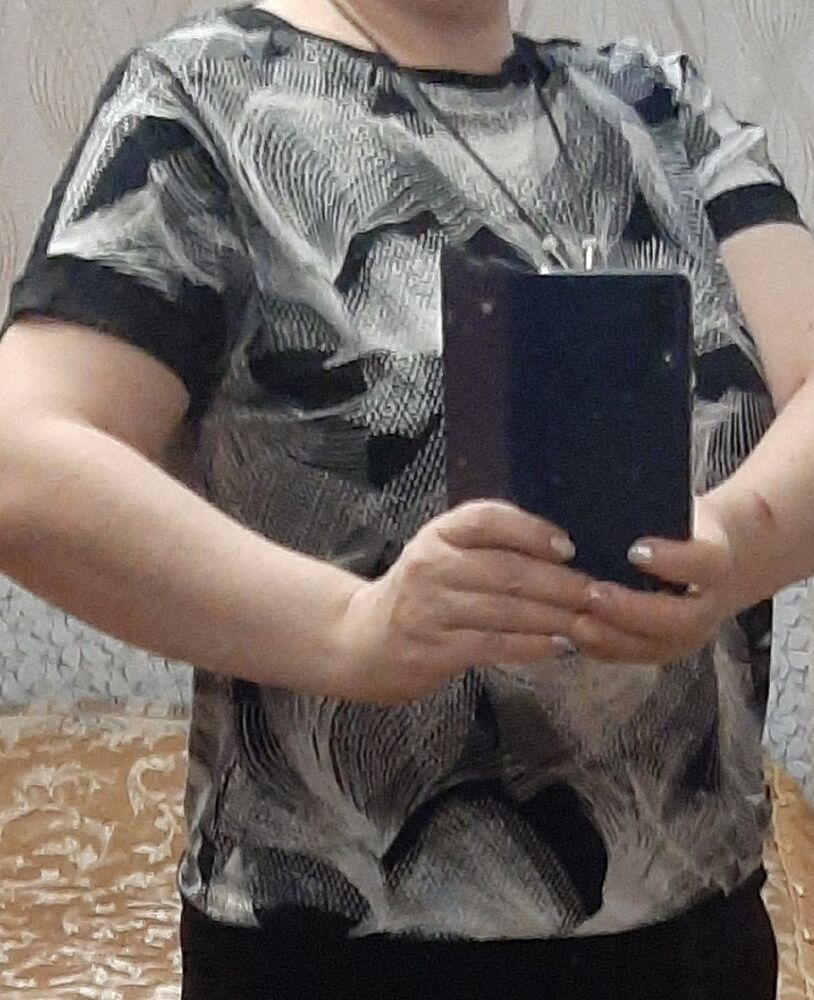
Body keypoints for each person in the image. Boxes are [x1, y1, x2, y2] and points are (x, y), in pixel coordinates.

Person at [0, 0, 812, 996]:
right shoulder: (201, 101)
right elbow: (24, 463)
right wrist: (351, 629)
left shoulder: (661, 110)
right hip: (333, 951)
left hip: (691, 937)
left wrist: (729, 545)